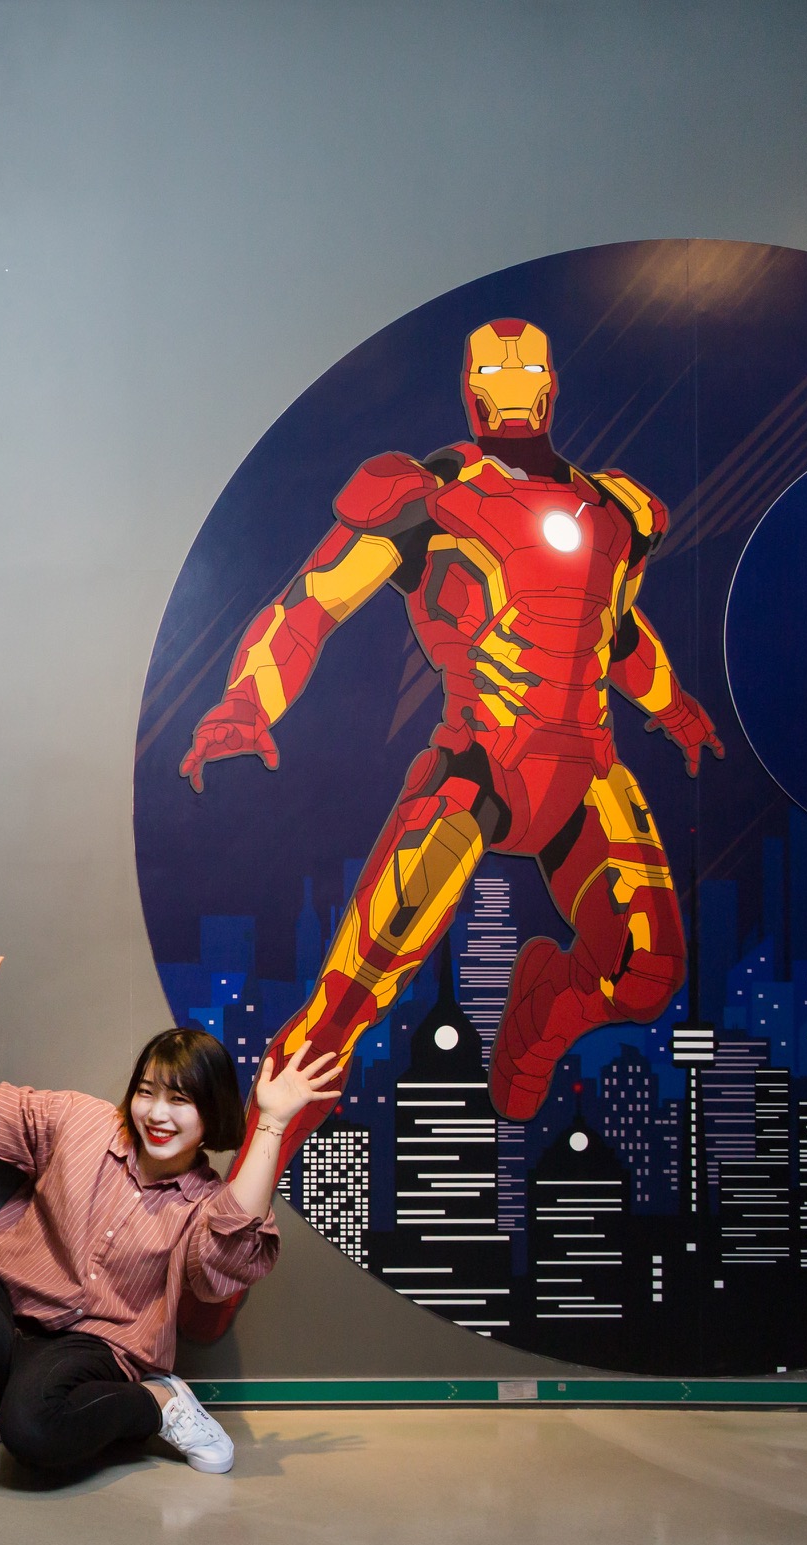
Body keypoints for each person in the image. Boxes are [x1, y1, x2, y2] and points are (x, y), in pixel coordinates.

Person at [175, 317, 718, 1340]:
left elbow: (612, 630)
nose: (512, 381)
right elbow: (311, 603)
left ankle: (543, 1006)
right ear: (470, 386)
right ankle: (224, 1255)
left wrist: (671, 705)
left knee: (646, 970)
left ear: (550, 383)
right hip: (475, 770)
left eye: (527, 366)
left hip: (587, 771)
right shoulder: (422, 496)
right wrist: (246, 702)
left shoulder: (618, 510)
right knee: (340, 1011)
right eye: (494, 368)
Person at [0, 925, 340, 1475]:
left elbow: (226, 1262)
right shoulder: (80, 1121)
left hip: (92, 1351)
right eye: (146, 1092)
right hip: (3, 1320)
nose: (158, 1114)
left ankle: (161, 1402)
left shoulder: (205, 1203)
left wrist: (273, 1123)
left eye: (180, 1101)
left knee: (32, 1433)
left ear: (210, 1113)